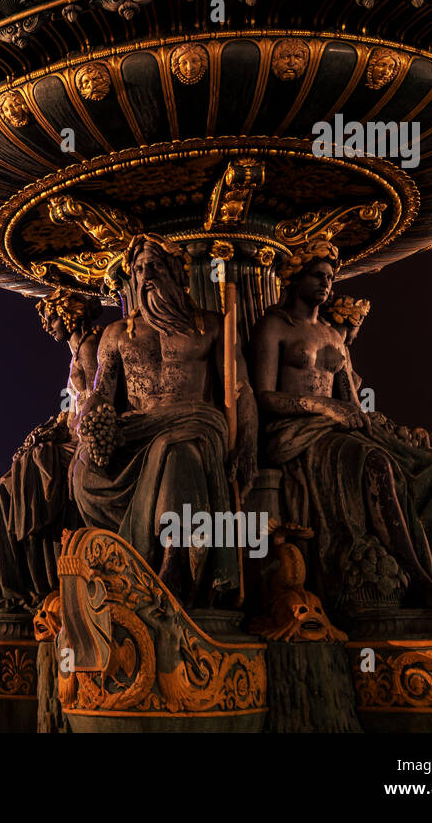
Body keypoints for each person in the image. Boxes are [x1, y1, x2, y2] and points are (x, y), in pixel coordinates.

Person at [250, 241, 432, 614]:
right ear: (297, 277)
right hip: (295, 432)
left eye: (330, 277)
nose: (326, 283)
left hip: (340, 429)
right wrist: (321, 406)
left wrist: (396, 434)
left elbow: (354, 406)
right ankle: (417, 579)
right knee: (374, 463)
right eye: (318, 275)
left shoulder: (333, 336)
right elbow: (264, 396)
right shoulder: (275, 326)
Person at [71, 233, 257, 606]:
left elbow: (241, 392)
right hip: (137, 430)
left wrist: (249, 445)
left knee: (177, 452)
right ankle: (126, 560)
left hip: (195, 426)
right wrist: (89, 424)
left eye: (154, 265)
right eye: (138, 269)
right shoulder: (116, 334)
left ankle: (176, 563)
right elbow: (101, 395)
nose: (145, 275)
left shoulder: (212, 325)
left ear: (176, 271)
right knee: (84, 471)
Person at [0, 289, 105, 613]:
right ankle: (7, 588)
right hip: (70, 441)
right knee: (2, 489)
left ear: (69, 314)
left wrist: (62, 432)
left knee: (8, 490)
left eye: (50, 317)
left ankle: (18, 587)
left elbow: (98, 404)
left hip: (82, 447)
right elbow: (74, 409)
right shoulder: (77, 353)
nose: (47, 325)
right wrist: (51, 429)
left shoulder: (90, 349)